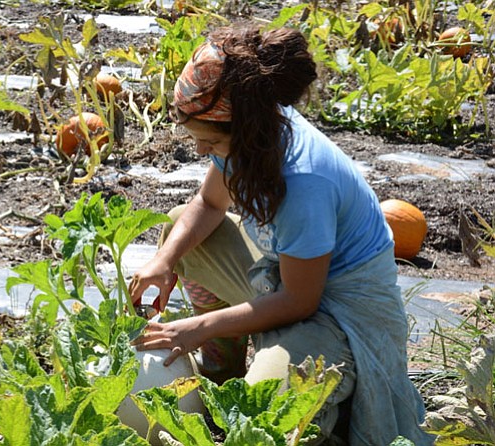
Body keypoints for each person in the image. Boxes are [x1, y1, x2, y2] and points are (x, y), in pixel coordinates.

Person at [128, 24, 434, 445]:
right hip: (287, 275)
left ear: (243, 131)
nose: (201, 152)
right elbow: (209, 205)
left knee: (262, 412)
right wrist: (162, 263)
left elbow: (299, 300)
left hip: (336, 312)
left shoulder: (305, 181)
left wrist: (199, 326)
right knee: (181, 229)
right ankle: (221, 378)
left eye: (210, 143)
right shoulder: (254, 134)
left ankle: (335, 405)